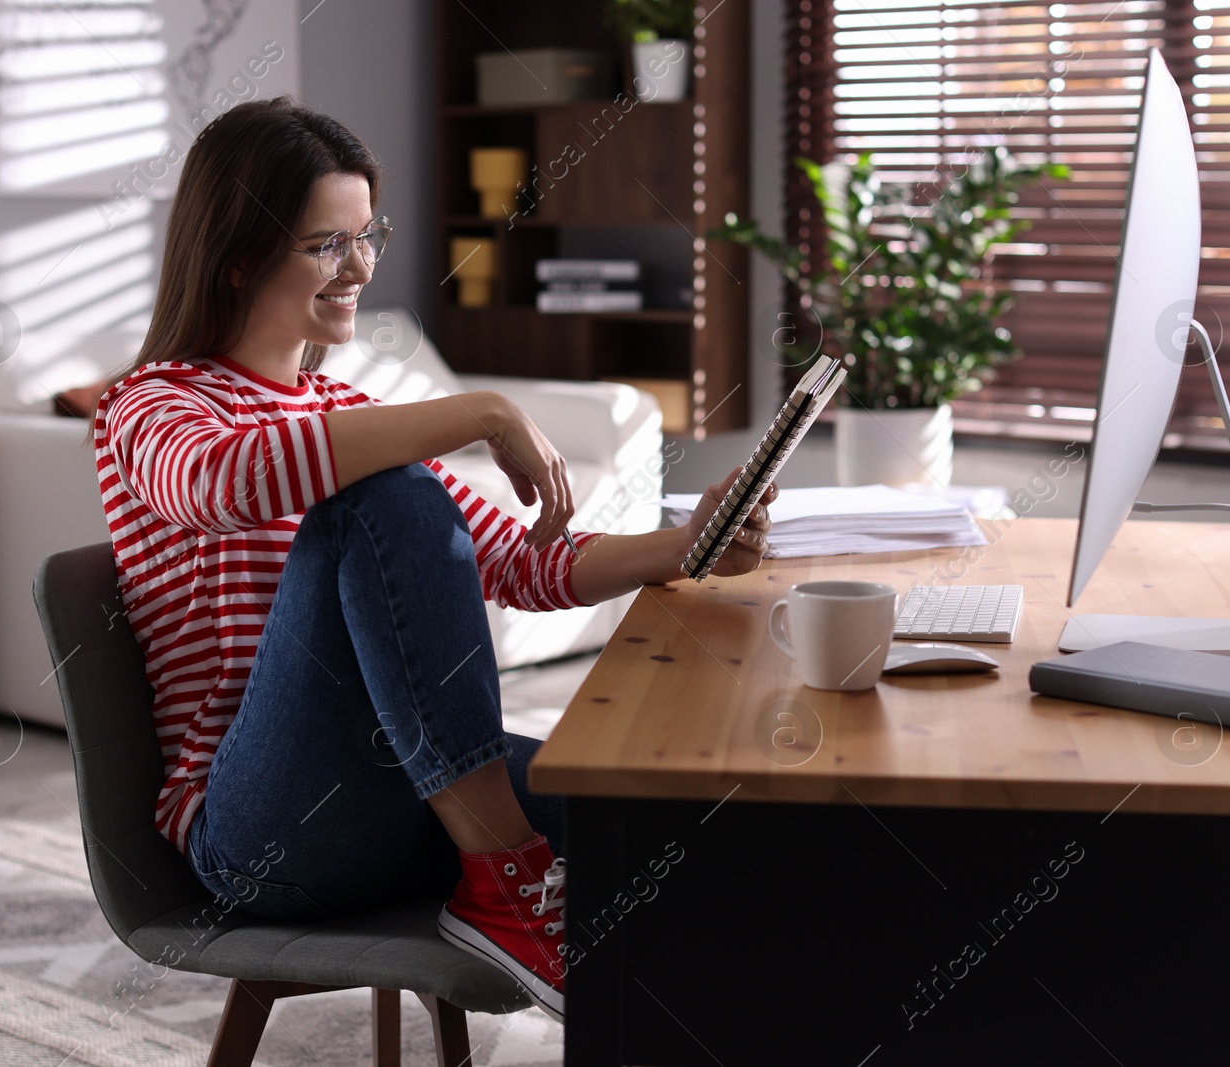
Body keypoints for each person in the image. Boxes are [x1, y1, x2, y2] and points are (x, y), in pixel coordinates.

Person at [89, 97, 775, 1023]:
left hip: (397, 802)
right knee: (388, 492)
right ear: (240, 255)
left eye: (366, 237)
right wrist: (481, 411)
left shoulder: (343, 410)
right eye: (328, 245)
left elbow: (527, 565)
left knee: (666, 819)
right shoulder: (151, 407)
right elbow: (226, 481)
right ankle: (504, 876)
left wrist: (696, 545)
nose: (363, 267)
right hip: (257, 837)